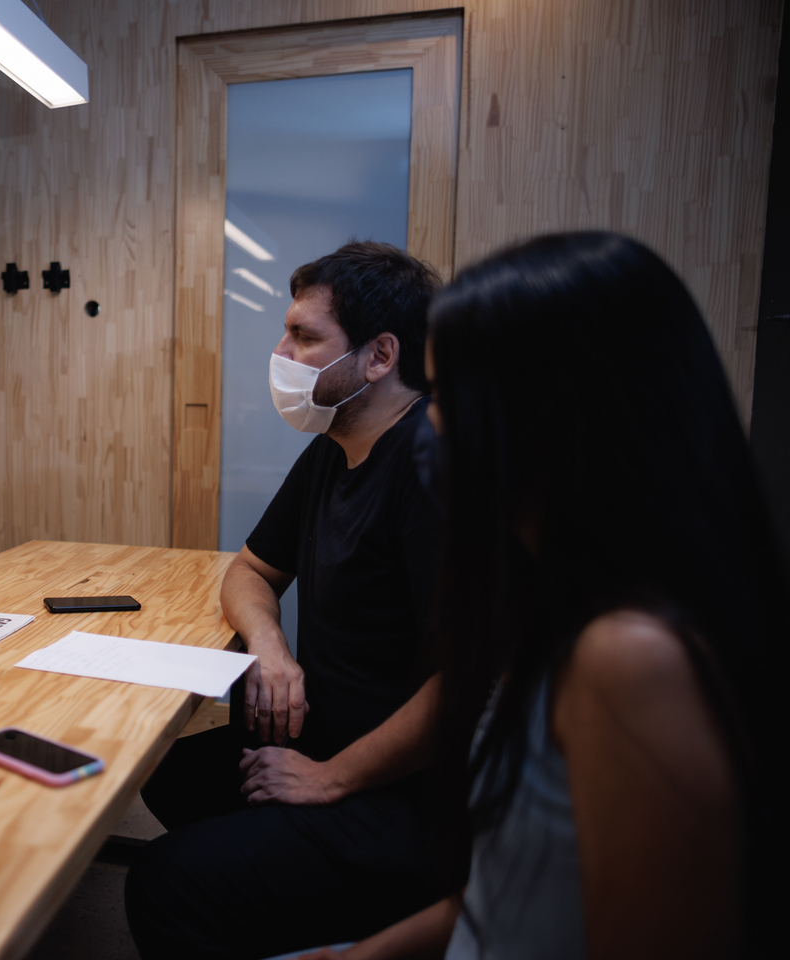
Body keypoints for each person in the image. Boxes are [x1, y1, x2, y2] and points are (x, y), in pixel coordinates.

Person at [296, 232, 787, 959]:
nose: (429, 421)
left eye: (453, 393)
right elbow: (502, 890)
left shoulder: (632, 659)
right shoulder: (542, 603)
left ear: (562, 413)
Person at [126, 242, 447, 959]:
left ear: (379, 355)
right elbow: (248, 571)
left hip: (406, 795)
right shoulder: (335, 450)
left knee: (162, 882)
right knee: (173, 774)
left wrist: (329, 779)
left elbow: (471, 685)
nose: (281, 351)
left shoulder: (427, 466)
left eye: (304, 336)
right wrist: (272, 649)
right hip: (329, 734)